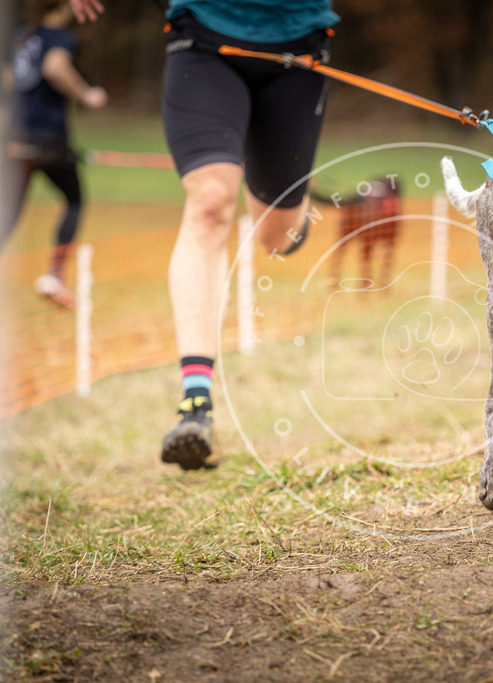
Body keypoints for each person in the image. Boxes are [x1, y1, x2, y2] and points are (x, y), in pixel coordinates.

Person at [70, 0, 339, 470]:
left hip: (299, 47)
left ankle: (291, 210)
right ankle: (196, 403)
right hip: (204, 38)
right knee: (211, 201)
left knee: (274, 237)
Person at [0, 0, 107, 309]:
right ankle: (55, 275)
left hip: (15, 138)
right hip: (48, 138)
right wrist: (87, 94)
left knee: (7, 215)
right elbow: (54, 67)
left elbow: (8, 82)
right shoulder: (61, 37)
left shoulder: (22, 35)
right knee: (74, 200)